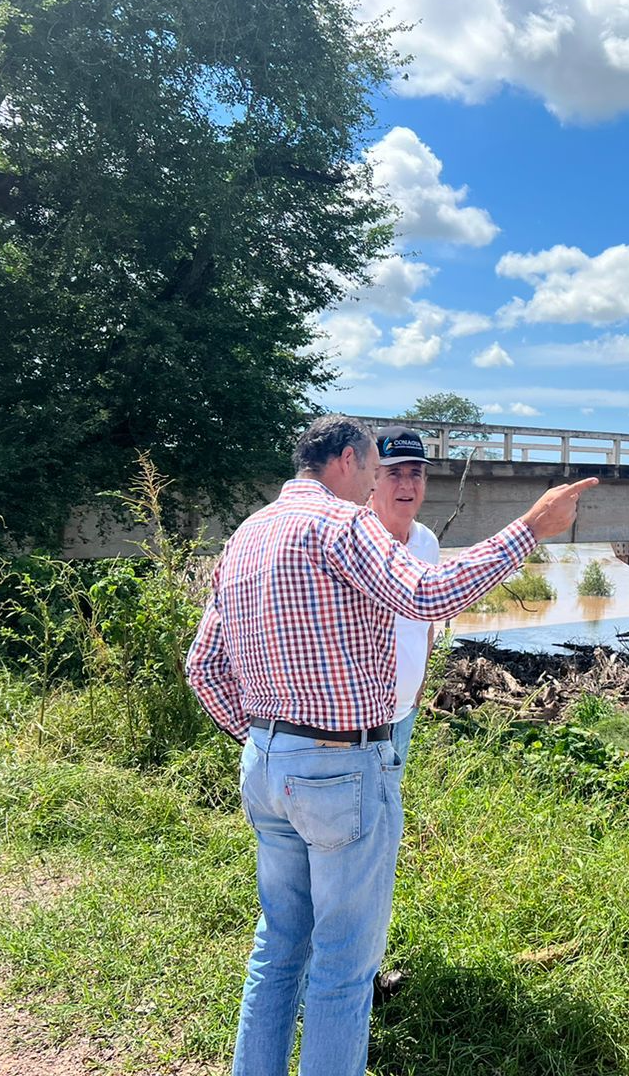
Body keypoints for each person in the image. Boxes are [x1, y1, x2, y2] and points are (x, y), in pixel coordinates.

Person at [185, 414, 596, 1076]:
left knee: (279, 947)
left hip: (265, 764)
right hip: (342, 767)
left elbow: (203, 666)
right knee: (345, 967)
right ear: (348, 460)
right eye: (376, 468)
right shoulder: (341, 525)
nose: (381, 481)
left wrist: (271, 739)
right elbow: (429, 596)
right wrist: (531, 528)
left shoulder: (246, 536)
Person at [366, 428, 440, 779]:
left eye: (416, 474)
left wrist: (420, 680)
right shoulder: (351, 536)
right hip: (356, 718)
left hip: (404, 708)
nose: (407, 485)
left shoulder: (427, 541)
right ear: (372, 479)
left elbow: (427, 620)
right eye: (394, 473)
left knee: (389, 800)